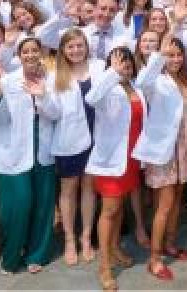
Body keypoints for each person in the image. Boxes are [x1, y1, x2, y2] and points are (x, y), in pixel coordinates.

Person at [0, 37, 58, 275]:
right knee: (16, 207)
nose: (31, 55)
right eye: (26, 52)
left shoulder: (51, 80)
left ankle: (37, 254)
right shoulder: (7, 81)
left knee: (43, 206)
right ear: (19, 56)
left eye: (35, 51)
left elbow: (56, 114)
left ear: (41, 53)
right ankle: (11, 257)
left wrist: (42, 96)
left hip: (43, 151)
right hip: (13, 151)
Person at [135, 36, 187, 281]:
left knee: (177, 199)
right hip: (164, 150)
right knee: (164, 204)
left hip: (184, 148)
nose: (175, 59)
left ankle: (170, 244)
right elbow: (141, 81)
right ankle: (154, 259)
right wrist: (158, 55)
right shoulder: (157, 81)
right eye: (170, 55)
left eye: (178, 54)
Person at [84, 46, 146, 290]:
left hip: (131, 158)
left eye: (126, 63)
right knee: (109, 210)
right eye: (117, 63)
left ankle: (115, 248)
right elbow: (91, 98)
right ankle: (105, 266)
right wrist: (112, 73)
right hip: (111, 160)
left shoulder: (136, 87)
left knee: (119, 207)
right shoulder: (106, 88)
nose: (123, 67)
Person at [47, 29, 106, 266]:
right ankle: (70, 239)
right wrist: (41, 98)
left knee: (89, 188)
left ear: (86, 46)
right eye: (70, 46)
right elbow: (52, 113)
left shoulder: (99, 67)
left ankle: (85, 238)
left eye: (79, 45)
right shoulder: (55, 75)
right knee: (68, 190)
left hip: (97, 136)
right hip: (69, 140)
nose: (75, 50)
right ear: (63, 50)